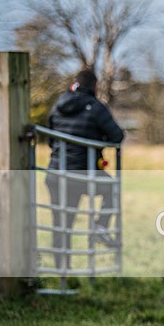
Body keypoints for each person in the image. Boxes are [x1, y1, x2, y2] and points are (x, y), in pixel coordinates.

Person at [45, 69, 125, 269]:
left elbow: (50, 139)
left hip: (56, 172)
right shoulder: (97, 107)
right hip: (83, 172)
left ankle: (62, 270)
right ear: (95, 86)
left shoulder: (58, 104)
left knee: (61, 222)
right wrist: (98, 141)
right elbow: (117, 136)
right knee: (112, 188)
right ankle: (101, 226)